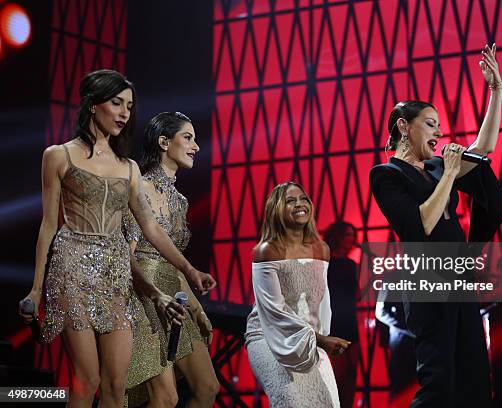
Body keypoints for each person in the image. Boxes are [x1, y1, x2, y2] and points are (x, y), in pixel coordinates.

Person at [18, 70, 215, 408]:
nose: (125, 112)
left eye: (129, 106)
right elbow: (48, 226)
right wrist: (36, 289)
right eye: (116, 103)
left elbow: (151, 229)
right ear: (93, 105)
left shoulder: (129, 168)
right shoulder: (58, 155)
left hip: (115, 277)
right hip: (72, 270)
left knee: (115, 383)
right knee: (88, 380)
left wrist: (190, 269)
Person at [369, 44, 502, 407]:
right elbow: (421, 225)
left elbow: (485, 147)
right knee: (439, 384)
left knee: (476, 380)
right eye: (431, 124)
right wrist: (448, 172)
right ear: (403, 126)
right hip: (427, 279)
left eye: (440, 127)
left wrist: (496, 91)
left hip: (458, 275)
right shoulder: (386, 174)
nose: (438, 133)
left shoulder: (434, 168)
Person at [123, 112, 219, 407]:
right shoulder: (140, 186)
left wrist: (197, 308)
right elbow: (127, 255)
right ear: (164, 142)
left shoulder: (181, 200)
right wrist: (153, 296)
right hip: (142, 296)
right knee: (165, 398)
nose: (197, 147)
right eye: (188, 138)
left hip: (175, 299)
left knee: (208, 388)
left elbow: (175, 266)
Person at [244, 182, 351, 407]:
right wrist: (321, 340)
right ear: (276, 209)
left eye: (303, 199)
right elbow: (274, 311)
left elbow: (321, 302)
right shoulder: (266, 251)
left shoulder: (321, 249)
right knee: (290, 402)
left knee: (327, 402)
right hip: (268, 337)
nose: (299, 204)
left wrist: (320, 338)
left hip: (310, 340)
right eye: (290, 201)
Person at [324, 221, 360, 408]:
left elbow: (357, 294)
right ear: (337, 236)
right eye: (347, 234)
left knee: (352, 371)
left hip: (349, 320)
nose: (351, 239)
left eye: (352, 235)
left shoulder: (352, 264)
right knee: (337, 372)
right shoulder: (326, 263)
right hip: (333, 321)